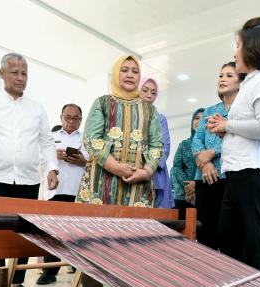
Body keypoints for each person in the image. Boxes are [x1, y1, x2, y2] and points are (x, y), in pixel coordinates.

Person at [207, 16, 260, 270]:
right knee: (229, 237)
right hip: (240, 172)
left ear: (252, 48)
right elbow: (252, 127)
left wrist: (227, 126)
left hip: (253, 172)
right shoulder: (252, 82)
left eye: (238, 45)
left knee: (255, 243)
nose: (235, 52)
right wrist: (227, 130)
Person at [0, 53, 59, 287]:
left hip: (28, 180)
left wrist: (52, 168)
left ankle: (17, 283)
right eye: (15, 72)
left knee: (24, 232)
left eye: (24, 73)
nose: (20, 78)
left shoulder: (37, 108)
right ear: (2, 73)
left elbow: (46, 141)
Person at [76, 55, 162, 207]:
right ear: (116, 74)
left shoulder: (150, 110)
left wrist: (146, 172)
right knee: (97, 228)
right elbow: (91, 139)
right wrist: (116, 168)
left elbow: (157, 145)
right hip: (101, 181)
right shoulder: (102, 103)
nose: (130, 75)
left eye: (135, 72)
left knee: (136, 229)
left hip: (138, 183)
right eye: (124, 70)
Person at [191, 62, 242, 250]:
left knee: (228, 234)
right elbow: (197, 140)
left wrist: (212, 153)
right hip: (203, 179)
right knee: (205, 234)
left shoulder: (242, 109)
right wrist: (204, 164)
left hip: (229, 177)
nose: (223, 79)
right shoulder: (211, 110)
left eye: (229, 75)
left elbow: (239, 139)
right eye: (221, 75)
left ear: (241, 81)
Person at [37, 104, 87, 285]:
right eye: (68, 117)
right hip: (55, 191)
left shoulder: (87, 139)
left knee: (78, 234)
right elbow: (38, 161)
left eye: (76, 118)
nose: (71, 121)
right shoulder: (50, 138)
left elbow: (93, 164)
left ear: (81, 120)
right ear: (61, 117)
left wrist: (83, 161)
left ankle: (79, 268)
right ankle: (49, 272)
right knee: (52, 234)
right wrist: (53, 158)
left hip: (78, 193)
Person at [139, 77, 174, 208]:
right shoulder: (128, 116)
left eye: (153, 93)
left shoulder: (161, 119)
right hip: (131, 169)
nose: (149, 95)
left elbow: (165, 146)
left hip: (155, 173)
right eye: (145, 90)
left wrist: (149, 166)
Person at [171, 108, 204, 219]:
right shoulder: (184, 144)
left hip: (205, 195)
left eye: (203, 118)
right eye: (196, 118)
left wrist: (196, 186)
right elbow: (177, 167)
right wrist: (188, 187)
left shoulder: (211, 145)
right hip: (182, 196)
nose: (198, 121)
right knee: (181, 231)